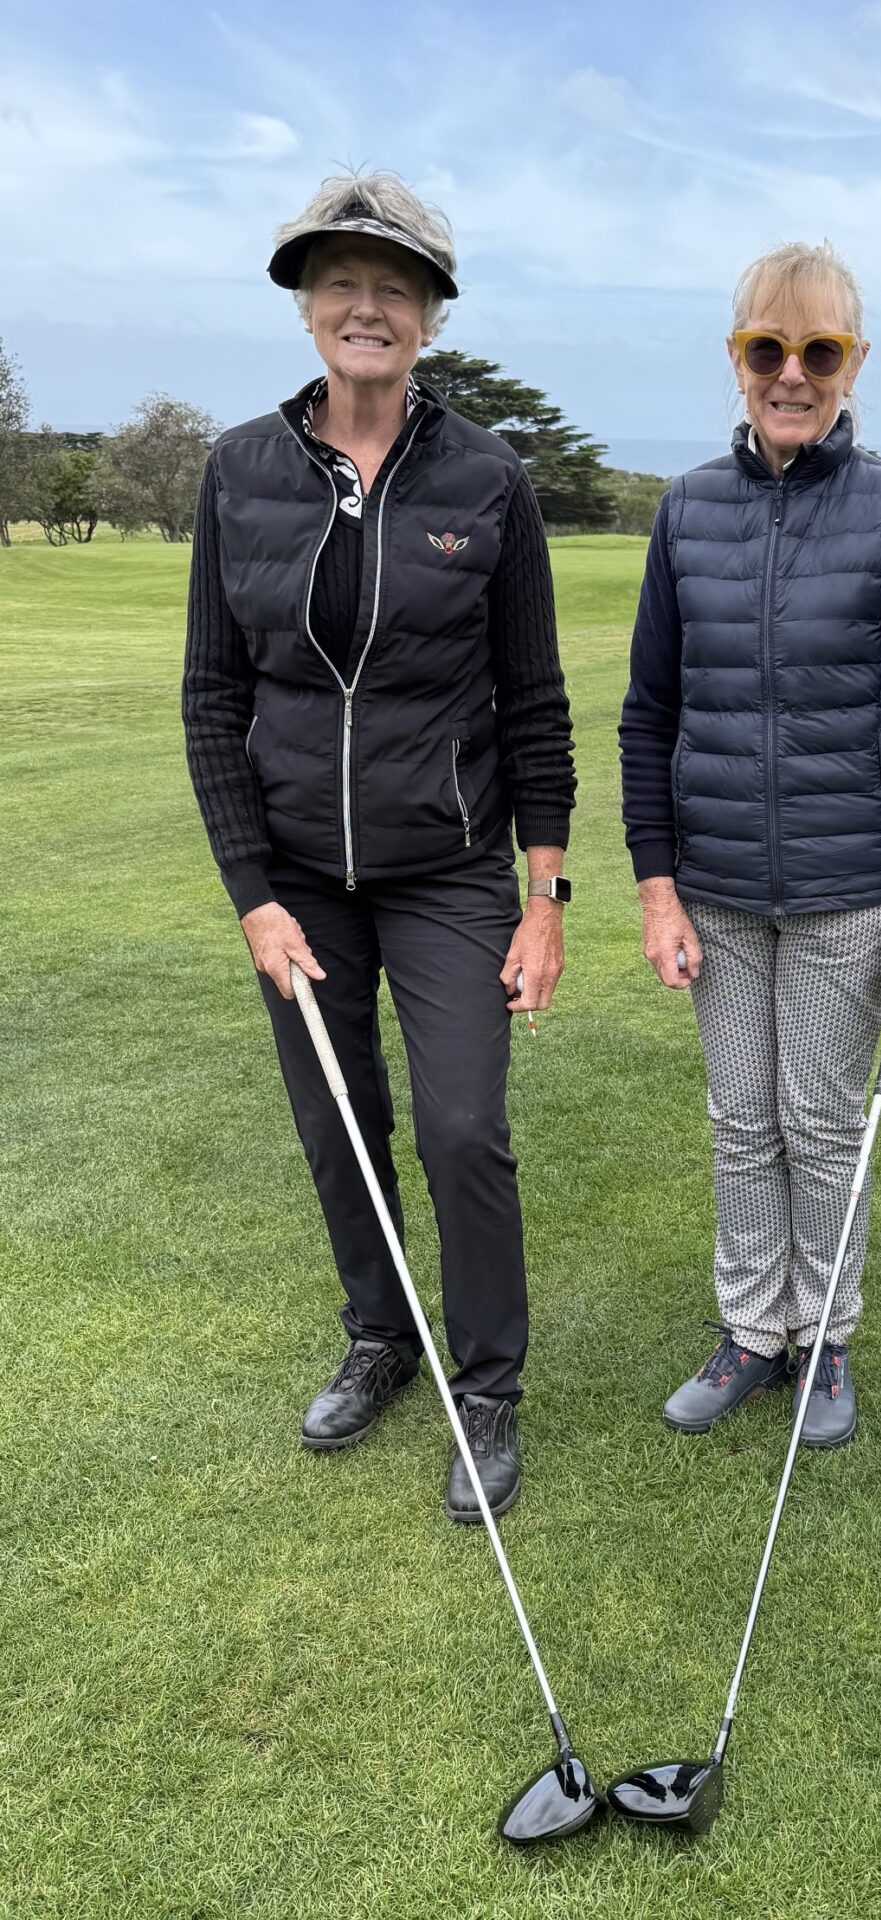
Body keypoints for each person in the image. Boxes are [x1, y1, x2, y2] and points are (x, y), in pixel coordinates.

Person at [182, 172, 575, 1523]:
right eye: (341, 282)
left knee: (463, 1128)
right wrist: (252, 896)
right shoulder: (239, 470)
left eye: (394, 287)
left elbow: (533, 703)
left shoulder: (486, 476)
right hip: (298, 878)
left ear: (428, 317)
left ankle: (487, 1387)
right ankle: (380, 1335)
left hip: (449, 866)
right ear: (306, 308)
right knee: (337, 1121)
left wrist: (544, 897)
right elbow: (212, 698)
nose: (367, 306)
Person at [620, 242, 881, 1448]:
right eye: (767, 348)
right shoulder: (686, 510)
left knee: (817, 1126)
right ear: (737, 359)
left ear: (852, 362)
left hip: (841, 889)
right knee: (737, 1123)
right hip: (713, 888)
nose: (791, 374)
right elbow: (649, 714)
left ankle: (821, 1336)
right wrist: (656, 888)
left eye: (819, 351)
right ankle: (750, 1331)